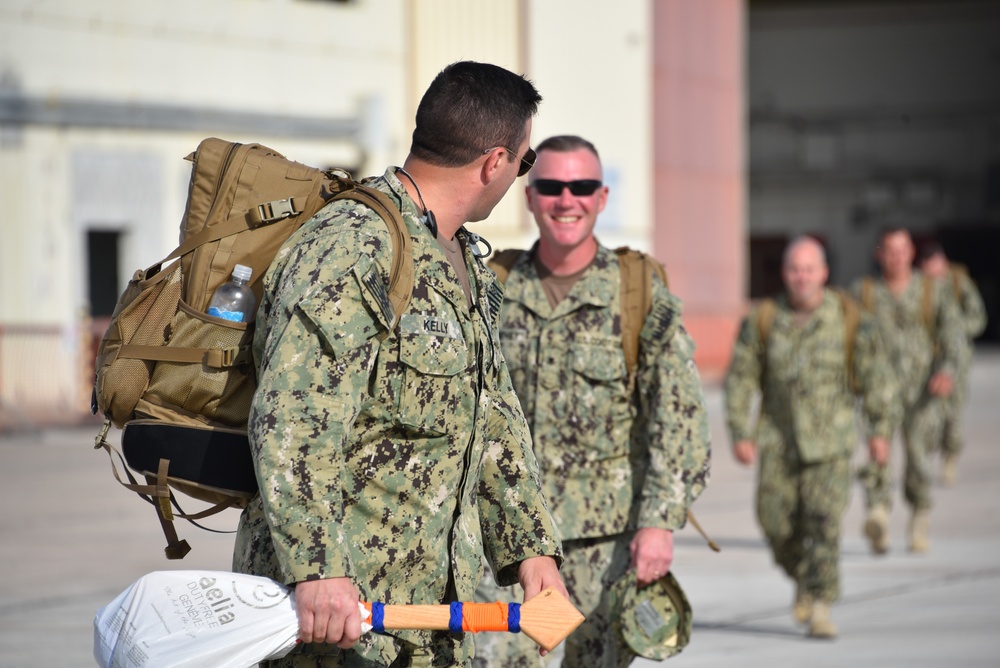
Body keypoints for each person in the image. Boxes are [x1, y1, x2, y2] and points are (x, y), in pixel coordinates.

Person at [232, 61, 568, 668]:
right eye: (526, 161)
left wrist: (531, 551)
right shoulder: (353, 247)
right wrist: (317, 568)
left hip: (430, 618)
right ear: (494, 162)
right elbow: (294, 417)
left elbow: (490, 418)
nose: (519, 176)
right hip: (341, 621)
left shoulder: (461, 258)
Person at [473, 135, 711, 667]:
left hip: (607, 547)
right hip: (509, 539)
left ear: (601, 197)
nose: (566, 200)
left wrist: (658, 524)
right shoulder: (492, 288)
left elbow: (680, 419)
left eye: (580, 187)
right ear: (529, 197)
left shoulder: (638, 291)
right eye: (551, 187)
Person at [723, 236, 898, 639]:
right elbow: (741, 378)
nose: (801, 278)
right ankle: (802, 575)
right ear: (784, 274)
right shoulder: (763, 319)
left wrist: (879, 432)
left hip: (831, 445)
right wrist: (740, 431)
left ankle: (821, 604)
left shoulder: (849, 317)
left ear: (823, 273)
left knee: (823, 526)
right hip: (778, 443)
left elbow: (876, 379)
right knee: (775, 524)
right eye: (794, 270)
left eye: (809, 269)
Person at [851, 227, 964, 554]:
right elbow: (848, 337)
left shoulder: (933, 291)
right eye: (890, 250)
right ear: (878, 253)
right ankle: (879, 517)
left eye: (903, 249)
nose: (897, 256)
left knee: (919, 460)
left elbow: (954, 334)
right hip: (879, 391)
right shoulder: (864, 292)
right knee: (877, 454)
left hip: (922, 393)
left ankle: (919, 519)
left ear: (912, 253)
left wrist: (946, 370)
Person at [916, 240, 988, 485]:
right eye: (926, 267)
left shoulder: (959, 283)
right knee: (924, 411)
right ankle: (922, 459)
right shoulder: (919, 287)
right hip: (927, 357)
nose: (931, 272)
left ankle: (950, 457)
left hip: (957, 357)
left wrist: (955, 331)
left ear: (943, 262)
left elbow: (978, 317)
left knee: (953, 411)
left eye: (935, 266)